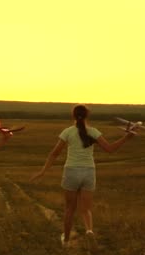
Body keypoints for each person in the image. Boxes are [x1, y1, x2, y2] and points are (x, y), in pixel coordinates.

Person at [30, 105, 134, 246]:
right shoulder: (94, 132)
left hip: (71, 171)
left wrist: (43, 171)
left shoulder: (67, 132)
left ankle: (66, 240)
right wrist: (126, 138)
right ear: (87, 116)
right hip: (89, 172)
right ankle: (89, 231)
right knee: (85, 209)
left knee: (69, 209)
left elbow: (54, 154)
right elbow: (110, 149)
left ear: (73, 116)